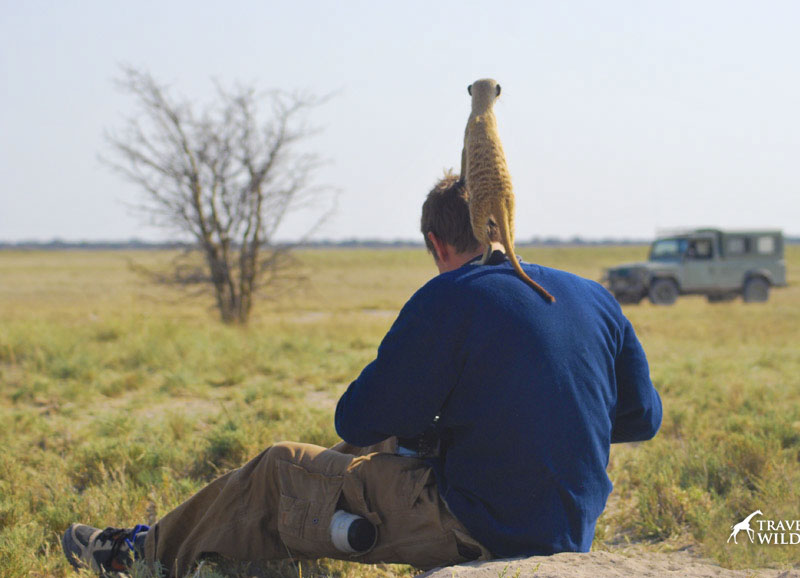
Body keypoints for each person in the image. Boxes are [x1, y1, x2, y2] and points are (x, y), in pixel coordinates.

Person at [62, 173, 662, 577]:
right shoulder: (592, 295)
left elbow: (356, 415)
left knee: (278, 470)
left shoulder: (451, 295)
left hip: (480, 526)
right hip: (572, 526)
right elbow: (642, 418)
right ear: (504, 224)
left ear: (435, 241)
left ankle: (140, 553)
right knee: (366, 449)